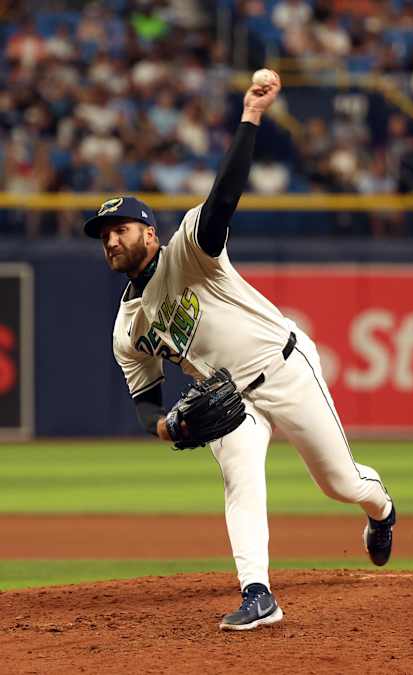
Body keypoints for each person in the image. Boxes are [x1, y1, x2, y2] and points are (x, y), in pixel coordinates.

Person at [83, 72, 396, 631]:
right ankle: (259, 593)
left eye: (120, 228)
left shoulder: (189, 251)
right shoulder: (126, 328)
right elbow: (146, 396)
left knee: (339, 483)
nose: (110, 239)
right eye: (103, 234)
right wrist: (162, 428)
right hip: (231, 401)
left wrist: (251, 116)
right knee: (240, 478)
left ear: (149, 233)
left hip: (284, 368)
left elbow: (224, 195)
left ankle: (382, 509)